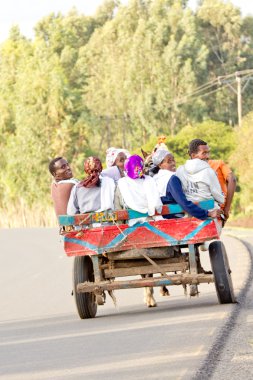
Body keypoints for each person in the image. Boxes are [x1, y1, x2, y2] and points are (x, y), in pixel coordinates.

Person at [151, 149, 220, 220]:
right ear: (160, 165)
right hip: (174, 218)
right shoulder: (172, 178)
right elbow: (183, 202)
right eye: (169, 161)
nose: (173, 163)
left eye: (173, 160)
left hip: (160, 217)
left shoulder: (155, 178)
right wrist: (207, 213)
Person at [115, 155, 163, 226]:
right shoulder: (150, 180)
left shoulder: (122, 184)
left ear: (126, 169)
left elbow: (117, 207)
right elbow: (157, 204)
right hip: (152, 221)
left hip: (131, 225)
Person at [176, 139, 224, 209]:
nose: (208, 156)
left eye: (208, 153)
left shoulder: (179, 171)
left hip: (188, 214)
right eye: (204, 153)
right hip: (209, 212)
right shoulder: (209, 172)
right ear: (193, 155)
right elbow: (220, 199)